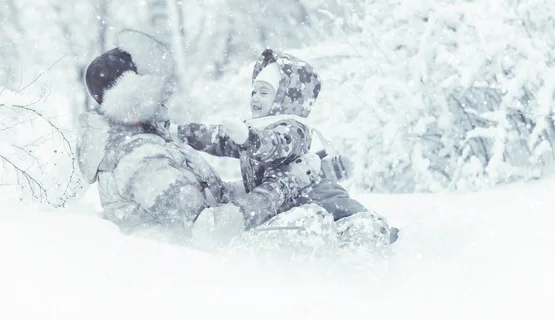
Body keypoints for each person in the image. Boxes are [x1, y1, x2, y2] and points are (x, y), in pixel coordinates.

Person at [177, 49, 399, 248]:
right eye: (254, 91)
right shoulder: (255, 128)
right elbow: (218, 138)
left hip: (321, 202)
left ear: (284, 97)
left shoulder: (293, 129)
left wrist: (248, 139)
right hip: (293, 204)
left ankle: (368, 240)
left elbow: (275, 145)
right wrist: (181, 131)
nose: (255, 97)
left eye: (264, 92)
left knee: (350, 227)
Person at [76, 30, 227, 243]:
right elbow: (205, 227)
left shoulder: (152, 139)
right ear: (133, 96)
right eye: (156, 85)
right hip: (186, 270)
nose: (168, 91)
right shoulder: (139, 158)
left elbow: (218, 198)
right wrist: (275, 195)